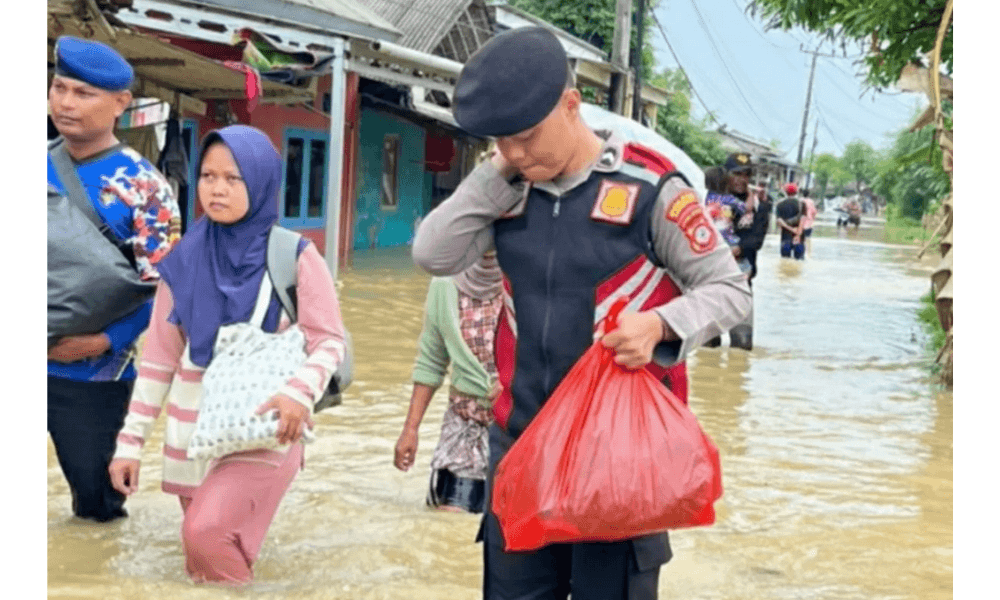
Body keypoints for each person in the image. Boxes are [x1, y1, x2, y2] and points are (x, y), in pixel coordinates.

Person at [411, 27, 751, 600]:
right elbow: (431, 254)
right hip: (520, 446)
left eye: (525, 137)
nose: (516, 153)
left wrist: (662, 325)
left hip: (618, 455)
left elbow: (731, 290)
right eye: (501, 142)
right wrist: (493, 174)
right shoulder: (507, 191)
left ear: (572, 105)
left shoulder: (648, 189)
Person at [107, 125, 347, 585]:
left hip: (264, 426)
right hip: (193, 432)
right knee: (202, 562)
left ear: (259, 182)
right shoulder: (183, 260)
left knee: (206, 533)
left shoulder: (294, 255)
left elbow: (328, 340)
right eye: (208, 176)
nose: (216, 189)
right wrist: (130, 445)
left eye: (233, 179)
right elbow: (159, 361)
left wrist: (300, 393)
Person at [47, 36, 181, 523]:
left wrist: (101, 340)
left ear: (122, 104)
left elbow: (167, 291)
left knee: (97, 508)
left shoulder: (147, 189)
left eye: (84, 93)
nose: (65, 102)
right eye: (59, 87)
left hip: (94, 376)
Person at [393, 251, 503, 514]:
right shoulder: (445, 283)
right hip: (466, 426)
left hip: (521, 427)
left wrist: (515, 384)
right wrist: (411, 429)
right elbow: (432, 359)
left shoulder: (532, 277)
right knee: (448, 523)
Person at [722, 152, 772, 350]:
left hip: (741, 281)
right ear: (726, 175)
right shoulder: (713, 201)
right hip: (708, 283)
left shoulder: (760, 206)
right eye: (736, 174)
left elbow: (756, 240)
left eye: (746, 175)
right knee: (706, 348)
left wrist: (737, 247)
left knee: (742, 348)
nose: (742, 180)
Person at [775, 182, 806, 260]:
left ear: (785, 192)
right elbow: (803, 220)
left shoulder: (779, 204)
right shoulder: (802, 204)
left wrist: (791, 229)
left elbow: (779, 222)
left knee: (785, 262)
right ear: (797, 192)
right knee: (799, 262)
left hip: (785, 237)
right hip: (799, 238)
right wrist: (797, 234)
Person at [799, 188, 818, 257]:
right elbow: (814, 212)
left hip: (800, 223)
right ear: (809, 194)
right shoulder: (811, 202)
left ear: (802, 194)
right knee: (808, 239)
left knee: (800, 239)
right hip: (809, 223)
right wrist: (813, 219)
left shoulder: (799, 201)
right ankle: (809, 254)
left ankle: (801, 253)